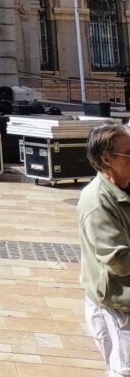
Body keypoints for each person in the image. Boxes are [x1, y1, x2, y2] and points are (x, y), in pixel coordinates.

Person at [77, 121, 130, 375]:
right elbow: (120, 261)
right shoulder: (96, 202)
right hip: (115, 308)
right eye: (129, 154)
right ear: (108, 160)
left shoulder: (124, 186)